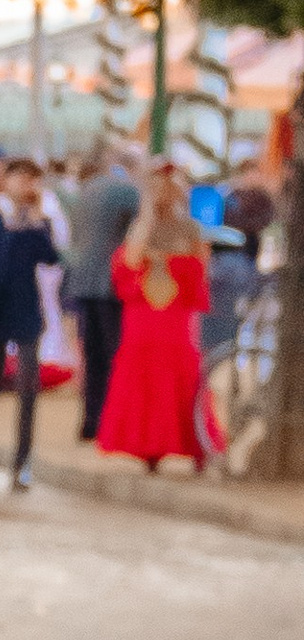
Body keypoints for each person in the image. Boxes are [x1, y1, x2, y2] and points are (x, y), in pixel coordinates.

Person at [96, 172, 225, 474]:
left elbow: (199, 270)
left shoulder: (189, 229)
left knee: (183, 375)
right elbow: (128, 264)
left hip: (174, 319)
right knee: (147, 374)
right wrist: (147, 215)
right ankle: (149, 448)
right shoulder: (141, 229)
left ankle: (194, 445)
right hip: (144, 319)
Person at [0, 163, 61, 491]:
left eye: (33, 178)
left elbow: (50, 258)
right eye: (22, 177)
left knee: (28, 388)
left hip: (26, 311)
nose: (27, 184)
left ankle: (22, 463)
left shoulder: (36, 221)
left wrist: (35, 224)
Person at [63, 152, 142, 441]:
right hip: (112, 282)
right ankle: (112, 421)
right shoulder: (128, 191)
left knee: (93, 353)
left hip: (83, 278)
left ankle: (89, 421)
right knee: (114, 354)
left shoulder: (86, 191)